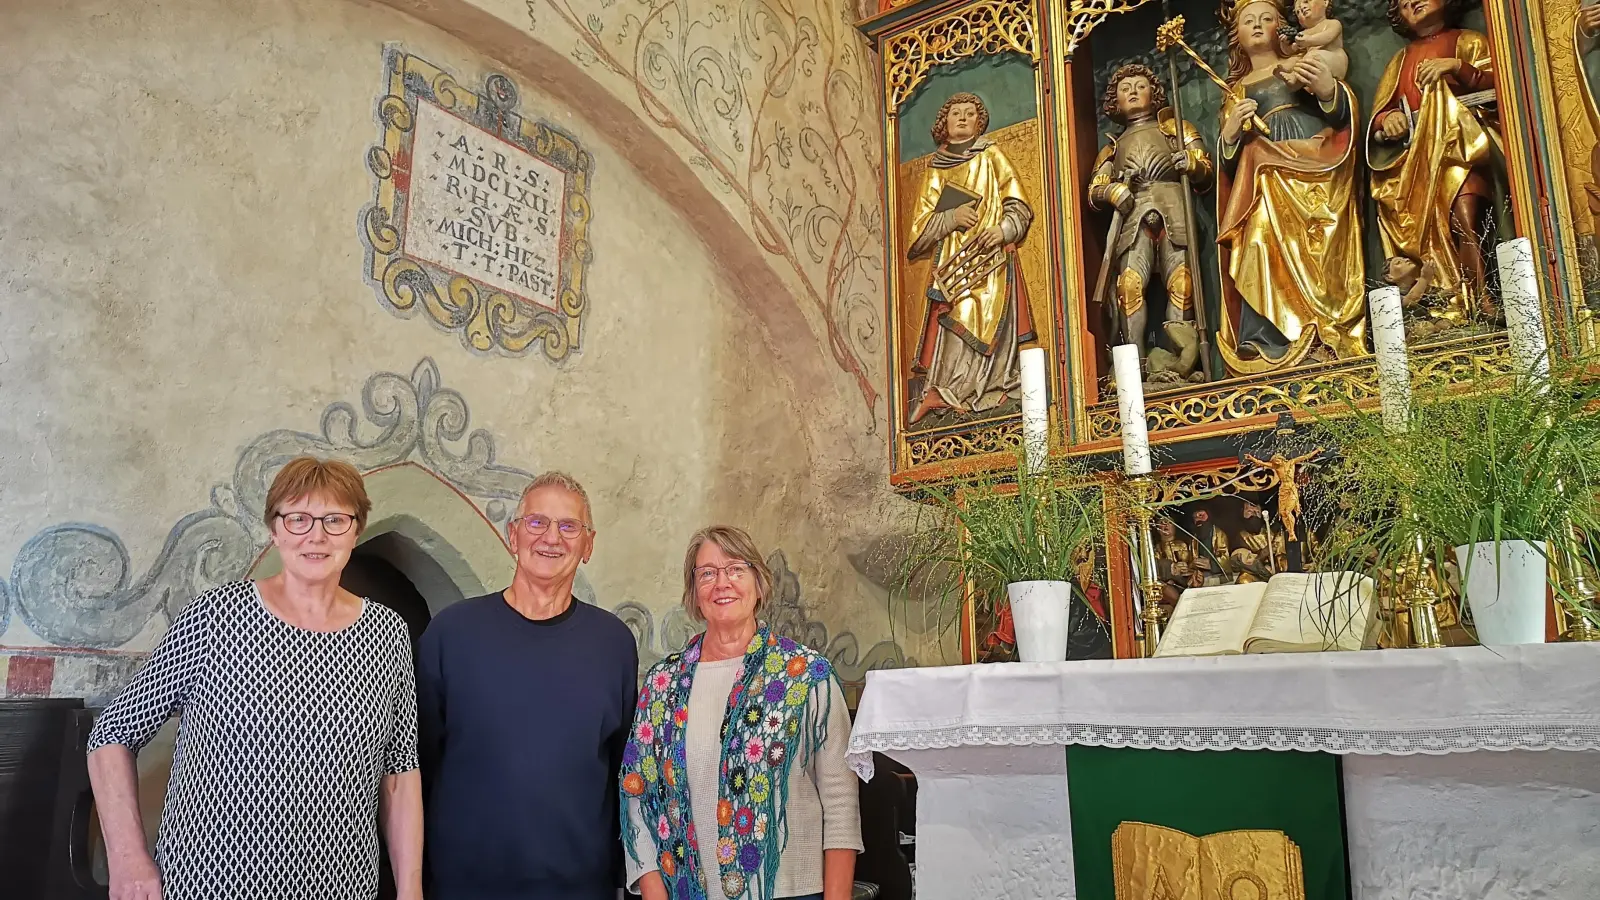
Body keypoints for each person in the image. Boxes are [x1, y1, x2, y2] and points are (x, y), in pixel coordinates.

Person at [87, 456, 422, 900]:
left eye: (335, 519)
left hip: (342, 885)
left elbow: (399, 772)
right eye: (298, 518)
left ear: (356, 530)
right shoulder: (215, 617)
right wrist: (129, 860)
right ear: (275, 529)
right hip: (210, 883)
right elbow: (111, 735)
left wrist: (410, 889)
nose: (316, 535)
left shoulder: (387, 633)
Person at [417, 471, 638, 900]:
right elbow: (417, 765)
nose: (551, 538)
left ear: (588, 545)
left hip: (578, 886)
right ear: (513, 535)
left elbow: (622, 770)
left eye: (569, 526)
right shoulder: (451, 634)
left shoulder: (613, 643)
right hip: (466, 883)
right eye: (537, 522)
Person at [622, 526, 862, 900]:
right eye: (707, 573)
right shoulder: (662, 686)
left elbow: (841, 804)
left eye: (736, 568)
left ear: (759, 583)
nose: (722, 583)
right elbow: (638, 796)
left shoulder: (805, 676)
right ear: (694, 593)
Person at [1214, 0, 1365, 376]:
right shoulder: (1235, 89)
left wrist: (1327, 90)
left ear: (1282, 28)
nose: (1259, 25)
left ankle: (1319, 328)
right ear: (1237, 37)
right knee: (1257, 237)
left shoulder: (1303, 61)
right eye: (1249, 21)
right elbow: (1228, 156)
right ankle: (1266, 335)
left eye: (1267, 18)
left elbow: (1339, 109)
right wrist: (1231, 133)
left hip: (1310, 156)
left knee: (1315, 240)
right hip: (1261, 173)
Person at [905, 90, 1037, 426]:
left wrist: (1004, 230)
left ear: (979, 123)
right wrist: (951, 218)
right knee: (956, 324)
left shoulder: (991, 156)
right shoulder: (936, 170)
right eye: (955, 114)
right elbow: (917, 236)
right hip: (953, 271)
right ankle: (950, 395)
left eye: (969, 113)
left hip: (989, 263)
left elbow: (1018, 204)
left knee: (992, 324)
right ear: (943, 124)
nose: (962, 118)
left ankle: (990, 389)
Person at [1370, 0, 1502, 322]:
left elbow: (1500, 85)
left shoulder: (1468, 41)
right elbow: (1379, 117)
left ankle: (1482, 296)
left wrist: (1456, 66)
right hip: (1418, 164)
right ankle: (1447, 302)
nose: (1411, 2)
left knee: (1467, 215)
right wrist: (1388, 121)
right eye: (1402, 3)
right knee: (1429, 228)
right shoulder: (1400, 61)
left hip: (1461, 150)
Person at [1088, 63, 1213, 369]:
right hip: (1132, 218)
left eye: (1140, 86)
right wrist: (1112, 192)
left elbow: (1205, 170)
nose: (1132, 91)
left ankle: (1182, 361)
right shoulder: (1112, 147)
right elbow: (1094, 190)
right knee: (1129, 288)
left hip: (1174, 209)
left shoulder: (1176, 130)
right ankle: (1135, 366)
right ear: (1114, 101)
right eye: (1125, 88)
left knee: (1183, 286)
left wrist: (1191, 165)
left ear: (1154, 94)